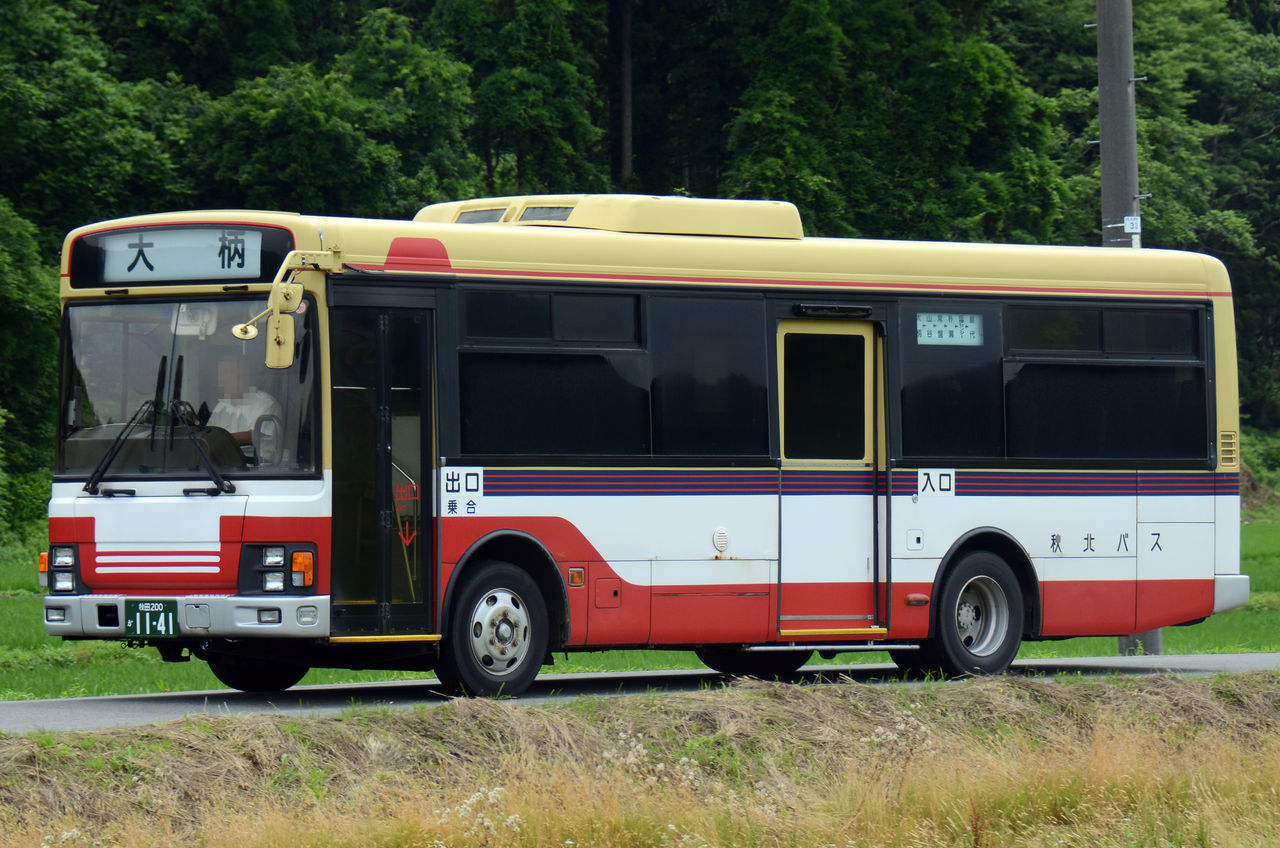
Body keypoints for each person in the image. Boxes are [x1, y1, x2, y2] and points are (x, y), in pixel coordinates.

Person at [207, 355, 281, 447]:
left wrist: (218, 439)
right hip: (222, 460)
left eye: (227, 373)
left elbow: (254, 436)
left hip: (255, 460)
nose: (222, 379)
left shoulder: (266, 403)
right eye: (221, 375)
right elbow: (208, 435)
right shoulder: (221, 406)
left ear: (243, 375)